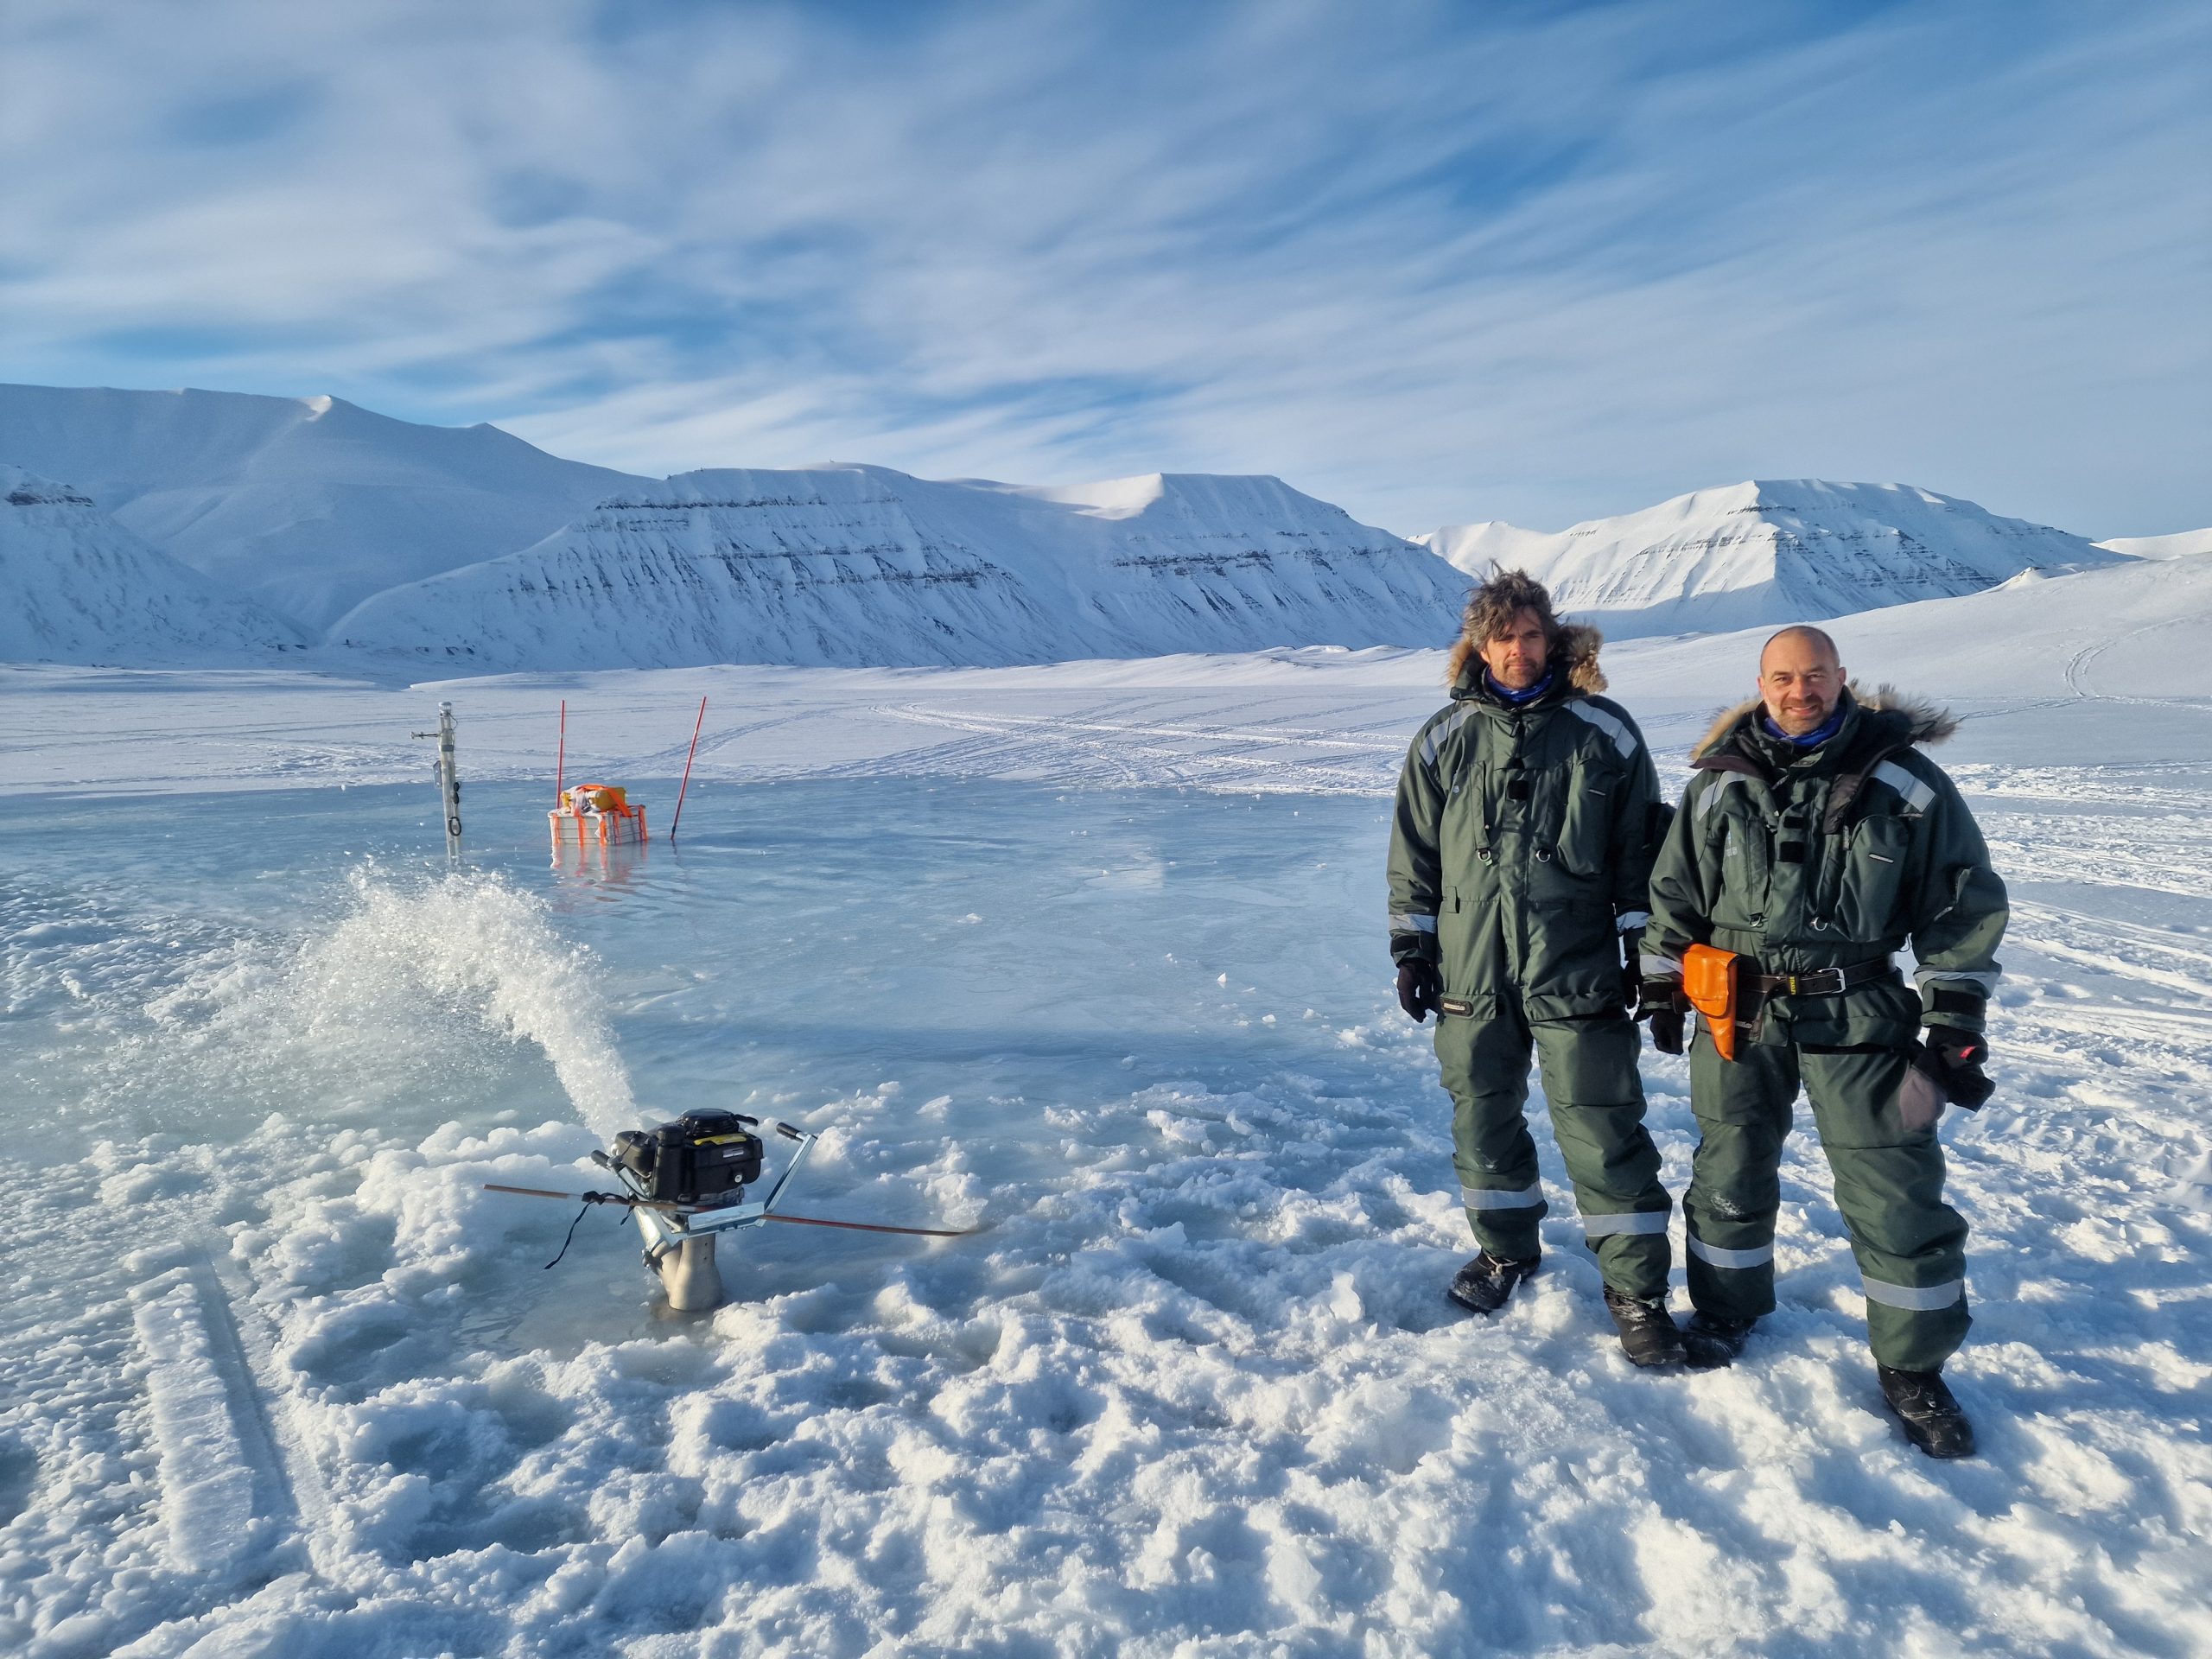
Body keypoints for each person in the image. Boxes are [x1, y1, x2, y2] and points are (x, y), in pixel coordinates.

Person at [1639, 625, 2006, 1455]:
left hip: (1860, 1010)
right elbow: (1676, 893)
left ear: (1842, 677)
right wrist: (1663, 983)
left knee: (1894, 1187)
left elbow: (1960, 906)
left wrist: (1954, 1019)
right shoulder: (1716, 786)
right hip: (1740, 1012)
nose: (1799, 691)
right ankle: (1728, 1310)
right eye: (1782, 677)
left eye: (1814, 675)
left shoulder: (1907, 782)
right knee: (1727, 1164)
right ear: (1760, 684)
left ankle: (1913, 1367)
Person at [1387, 569, 1685, 1366]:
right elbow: (1414, 857)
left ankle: (1637, 1296)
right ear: (1480, 645)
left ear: (1551, 638)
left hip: (1578, 969)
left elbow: (1640, 860)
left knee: (1602, 1131)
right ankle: (1506, 1251)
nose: (1519, 651)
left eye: (1530, 635)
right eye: (1503, 637)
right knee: (1482, 1124)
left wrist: (1647, 960)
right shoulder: (1444, 739)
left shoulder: (1606, 732)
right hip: (1471, 973)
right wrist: (1413, 946)